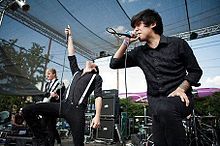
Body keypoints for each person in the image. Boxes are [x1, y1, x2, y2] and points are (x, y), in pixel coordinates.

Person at [109, 9, 203, 146]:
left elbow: (195, 71)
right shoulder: (139, 52)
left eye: (138, 25)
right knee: (159, 141)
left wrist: (182, 88)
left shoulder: (178, 44)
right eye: (133, 27)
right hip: (156, 105)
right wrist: (126, 42)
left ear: (152, 24)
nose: (135, 30)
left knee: (166, 108)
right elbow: (114, 63)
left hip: (181, 100)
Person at [22, 25, 103, 146]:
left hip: (77, 110)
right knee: (27, 110)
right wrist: (70, 36)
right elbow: (71, 54)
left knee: (78, 144)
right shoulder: (76, 71)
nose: (90, 61)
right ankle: (41, 138)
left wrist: (97, 115)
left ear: (95, 68)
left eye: (93, 62)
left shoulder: (96, 77)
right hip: (62, 105)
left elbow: (98, 96)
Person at [41, 68, 63, 146]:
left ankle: (52, 143)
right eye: (47, 74)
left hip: (53, 107)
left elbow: (62, 97)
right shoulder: (47, 84)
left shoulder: (60, 83)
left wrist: (57, 96)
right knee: (43, 125)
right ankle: (44, 142)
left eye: (49, 73)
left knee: (51, 127)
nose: (47, 75)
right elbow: (44, 94)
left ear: (54, 74)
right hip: (46, 106)